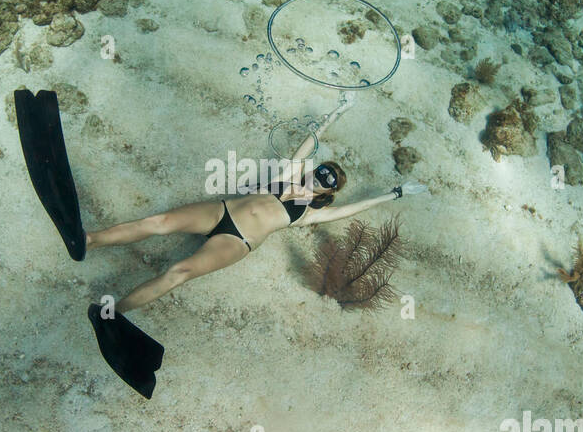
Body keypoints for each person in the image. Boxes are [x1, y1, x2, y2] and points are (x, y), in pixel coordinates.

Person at [84, 93, 428, 312]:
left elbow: (354, 209)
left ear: (328, 193)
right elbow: (309, 144)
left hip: (236, 242)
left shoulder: (307, 214)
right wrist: (337, 112)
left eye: (328, 182)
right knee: (156, 223)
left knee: (178, 272)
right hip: (219, 211)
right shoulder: (290, 174)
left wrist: (396, 193)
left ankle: (114, 312)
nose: (321, 178)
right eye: (322, 171)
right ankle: (88, 240)